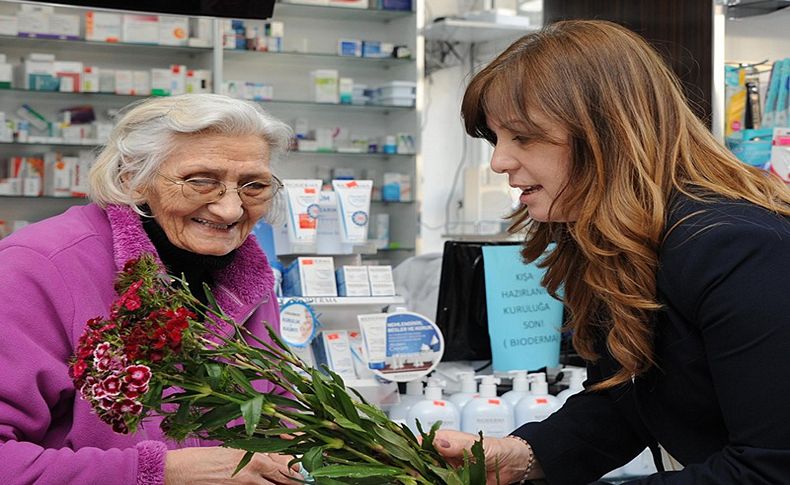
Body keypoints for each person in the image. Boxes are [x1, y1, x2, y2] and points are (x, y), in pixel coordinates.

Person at [433, 20, 790, 484]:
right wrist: (522, 455)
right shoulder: (618, 241)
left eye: (523, 136)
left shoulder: (740, 249)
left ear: (607, 135)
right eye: (495, 138)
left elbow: (771, 469)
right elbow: (626, 398)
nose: (499, 161)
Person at [0, 94, 303, 484]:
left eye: (253, 186)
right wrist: (157, 473)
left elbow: (278, 418)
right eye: (201, 181)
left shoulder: (248, 277)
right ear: (133, 177)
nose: (230, 210)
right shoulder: (37, 267)